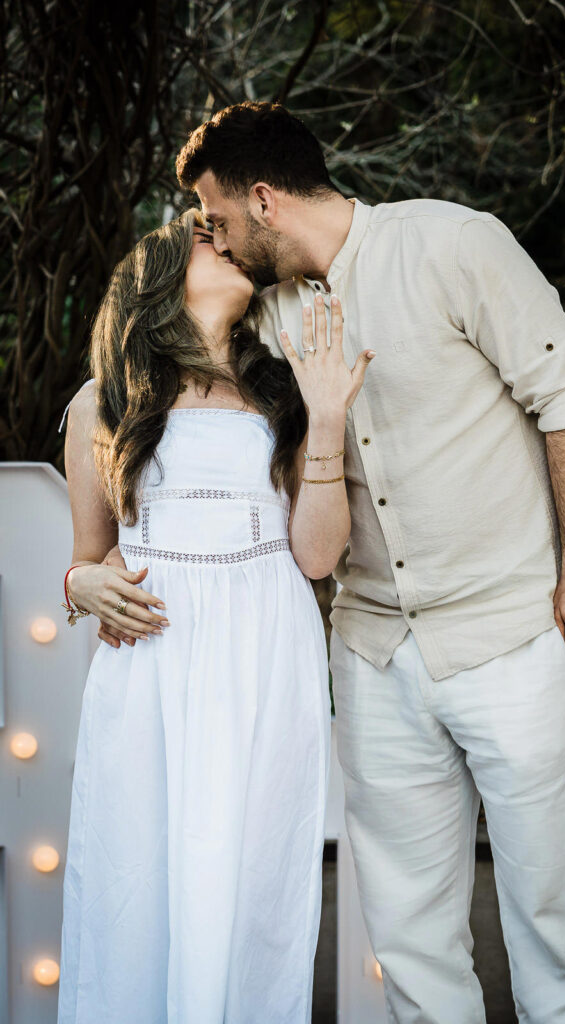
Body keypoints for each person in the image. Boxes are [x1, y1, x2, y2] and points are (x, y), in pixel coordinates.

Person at [102, 102, 565, 1023]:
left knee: (555, 930)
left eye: (216, 218)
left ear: (263, 200)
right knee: (413, 947)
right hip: (373, 655)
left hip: (511, 635)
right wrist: (82, 565)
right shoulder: (260, 313)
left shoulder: (453, 245)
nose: (209, 237)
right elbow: (141, 371)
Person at [56, 207, 373, 1023]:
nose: (226, 241)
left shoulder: (284, 391)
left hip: (268, 652)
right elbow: (89, 556)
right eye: (204, 235)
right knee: (139, 871)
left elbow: (316, 556)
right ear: (157, 274)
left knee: (255, 879)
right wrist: (79, 585)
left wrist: (328, 418)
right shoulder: (106, 401)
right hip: (152, 661)